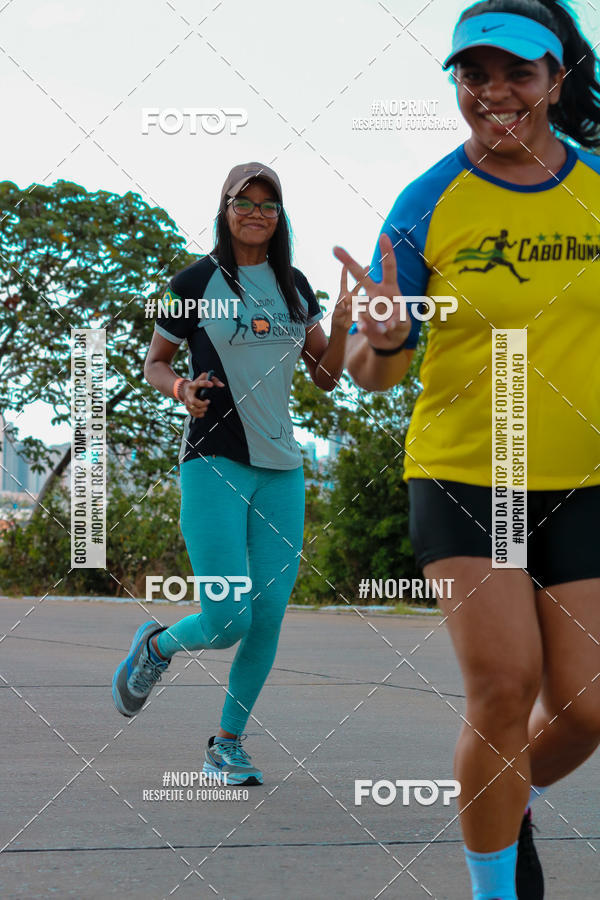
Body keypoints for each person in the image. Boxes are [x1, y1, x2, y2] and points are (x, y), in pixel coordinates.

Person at [334, 2, 600, 898]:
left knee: (589, 709)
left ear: (556, 80)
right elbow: (374, 374)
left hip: (583, 479)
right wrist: (385, 334)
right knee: (503, 686)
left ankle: (499, 795)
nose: (494, 93)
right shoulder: (426, 203)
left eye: (517, 74)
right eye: (472, 75)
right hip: (465, 472)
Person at [113, 162, 352, 785]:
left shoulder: (295, 286)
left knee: (267, 619)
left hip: (282, 472)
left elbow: (327, 376)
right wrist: (180, 390)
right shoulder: (193, 281)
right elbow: (155, 363)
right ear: (224, 209)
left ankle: (227, 743)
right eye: (243, 201)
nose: (255, 212)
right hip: (213, 464)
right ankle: (156, 647)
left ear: (281, 216)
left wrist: (347, 323)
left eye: (268, 204)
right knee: (227, 620)